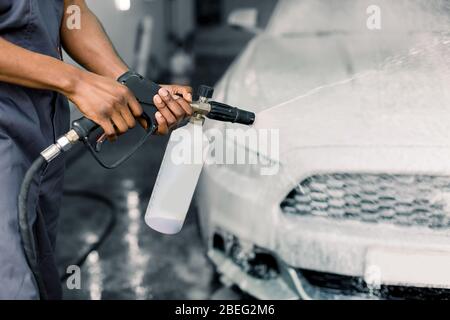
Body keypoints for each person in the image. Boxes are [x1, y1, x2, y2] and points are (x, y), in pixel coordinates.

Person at [0, 0, 193, 299]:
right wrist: (76, 82)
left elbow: (70, 10)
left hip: (43, 133)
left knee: (39, 271)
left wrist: (131, 84)